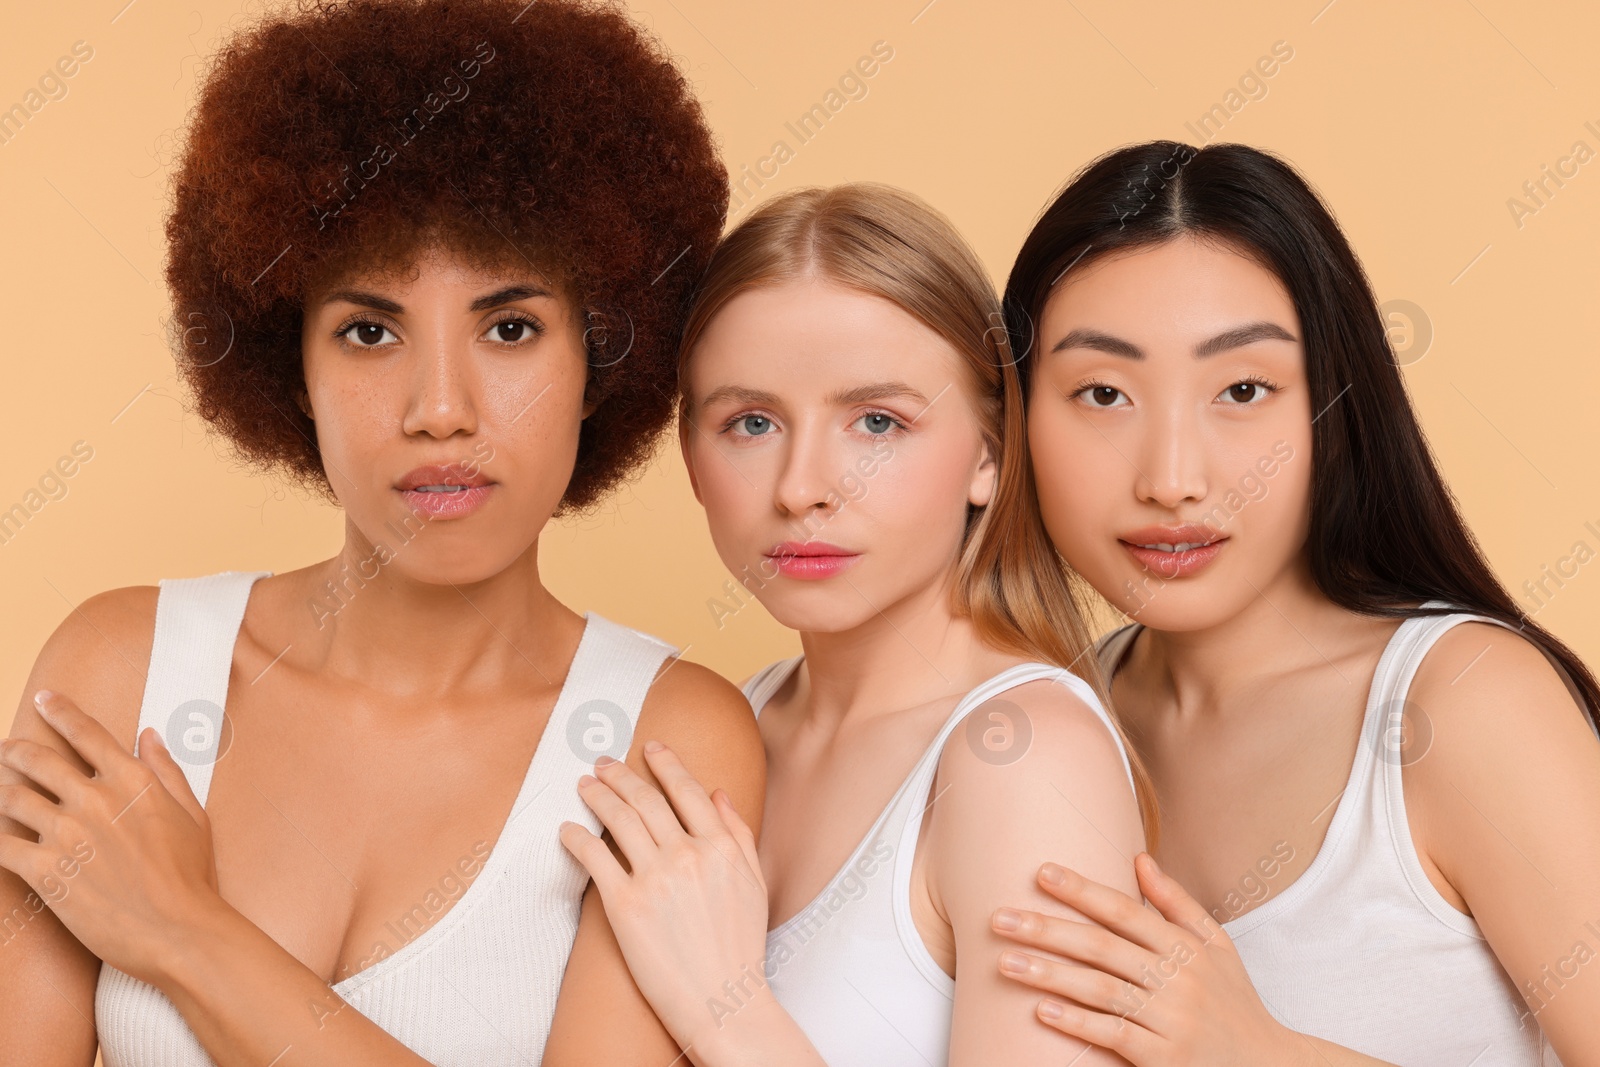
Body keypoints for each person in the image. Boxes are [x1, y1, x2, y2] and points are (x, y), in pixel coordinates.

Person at [0, 1, 762, 1064]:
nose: (439, 407)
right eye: (368, 330)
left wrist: (183, 927)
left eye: (508, 328)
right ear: (289, 369)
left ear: (602, 356)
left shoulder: (665, 738)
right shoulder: (117, 670)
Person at [988, 140, 1600, 1065]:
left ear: (1335, 408)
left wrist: (1259, 1051)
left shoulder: (1462, 705)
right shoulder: (1049, 715)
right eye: (1104, 393)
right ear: (1015, 419)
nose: (1172, 478)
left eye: (1242, 389)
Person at [558, 181, 1156, 1066]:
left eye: (877, 421)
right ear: (690, 458)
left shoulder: (1024, 755)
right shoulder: (733, 724)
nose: (803, 486)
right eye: (751, 422)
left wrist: (727, 1013)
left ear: (989, 456)